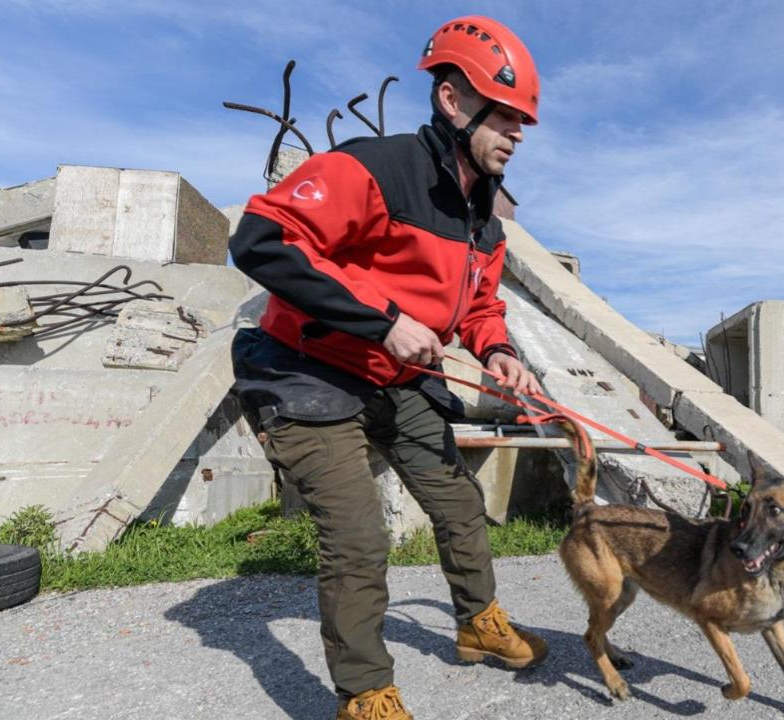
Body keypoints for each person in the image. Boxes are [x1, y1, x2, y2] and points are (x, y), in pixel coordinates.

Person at [228, 15, 547, 720]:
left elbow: (479, 307)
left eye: (524, 122)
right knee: (359, 536)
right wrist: (384, 322)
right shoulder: (374, 167)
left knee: (460, 504)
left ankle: (476, 625)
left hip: (395, 379)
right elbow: (261, 239)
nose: (518, 134)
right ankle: (366, 692)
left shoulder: (483, 219)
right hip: (306, 369)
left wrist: (498, 352)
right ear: (454, 102)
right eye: (506, 117)